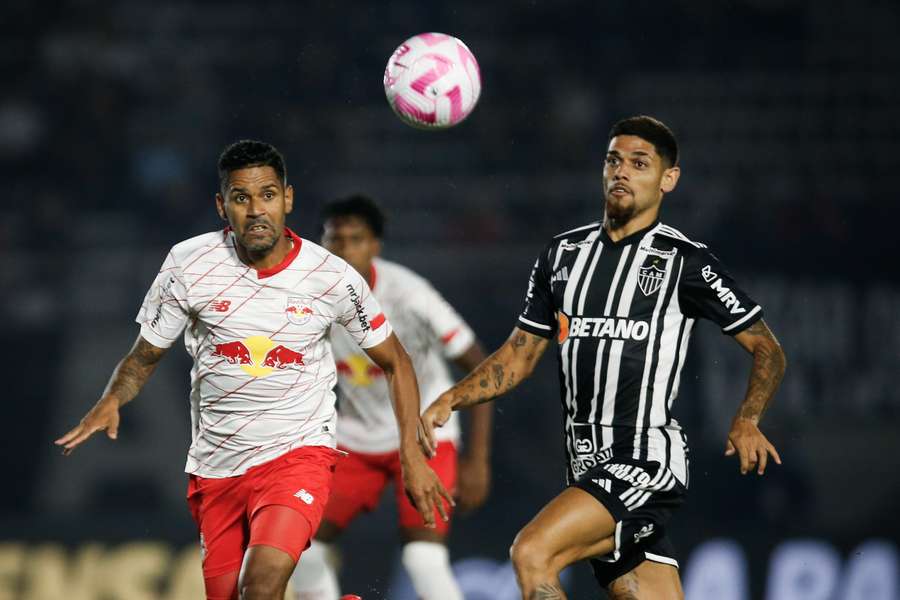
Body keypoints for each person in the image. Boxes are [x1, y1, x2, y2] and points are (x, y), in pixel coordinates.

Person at [55, 140, 451, 600]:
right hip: (216, 469)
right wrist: (112, 397)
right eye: (241, 198)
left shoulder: (331, 276)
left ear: (288, 198)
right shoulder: (188, 265)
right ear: (223, 206)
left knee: (260, 586)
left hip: (297, 457)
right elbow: (145, 355)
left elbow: (396, 361)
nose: (256, 210)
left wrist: (411, 455)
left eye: (267, 195)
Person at [421, 116, 786, 600]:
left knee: (532, 552)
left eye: (639, 163)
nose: (622, 172)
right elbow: (519, 355)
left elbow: (768, 348)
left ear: (668, 179)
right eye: (614, 160)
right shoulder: (562, 255)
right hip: (586, 469)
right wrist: (452, 397)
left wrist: (747, 419)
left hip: (644, 462)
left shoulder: (684, 261)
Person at [291, 195, 492, 600]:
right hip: (354, 439)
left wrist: (478, 459)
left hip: (425, 436)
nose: (345, 249)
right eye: (335, 239)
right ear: (321, 245)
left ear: (376, 246)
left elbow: (481, 366)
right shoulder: (306, 300)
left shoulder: (409, 294)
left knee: (423, 561)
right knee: (299, 547)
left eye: (356, 239)